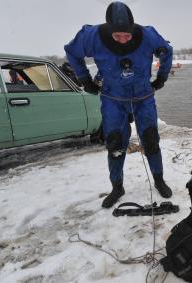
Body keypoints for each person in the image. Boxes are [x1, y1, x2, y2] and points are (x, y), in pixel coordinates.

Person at [64, 1, 173, 208]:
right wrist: (85, 79)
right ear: (109, 31)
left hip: (143, 97)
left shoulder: (147, 35)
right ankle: (117, 186)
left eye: (127, 36)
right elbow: (72, 52)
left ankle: (159, 179)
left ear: (133, 30)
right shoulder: (92, 36)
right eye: (117, 36)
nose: (123, 40)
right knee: (114, 143)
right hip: (113, 98)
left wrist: (162, 77)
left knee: (150, 138)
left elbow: (166, 51)